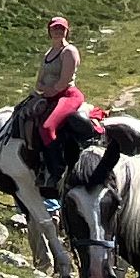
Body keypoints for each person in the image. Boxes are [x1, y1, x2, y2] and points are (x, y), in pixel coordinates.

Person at [28, 16, 84, 189]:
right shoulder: (48, 54)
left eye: (61, 28)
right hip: (49, 96)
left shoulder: (69, 51)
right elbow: (39, 81)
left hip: (67, 95)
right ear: (49, 31)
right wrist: (41, 90)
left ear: (67, 31)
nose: (58, 31)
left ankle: (58, 169)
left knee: (47, 127)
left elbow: (63, 82)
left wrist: (46, 91)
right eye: (54, 28)